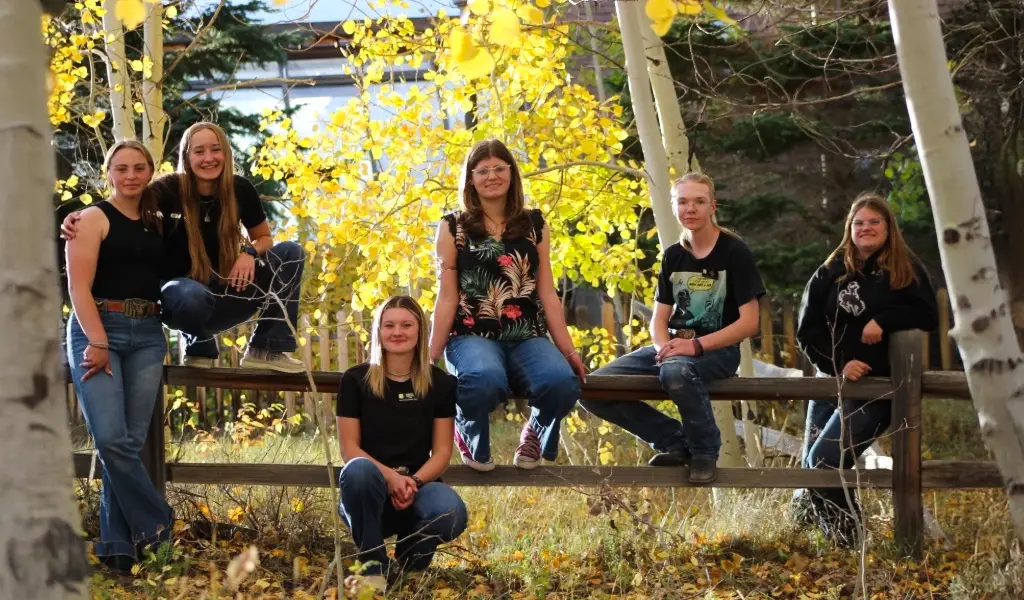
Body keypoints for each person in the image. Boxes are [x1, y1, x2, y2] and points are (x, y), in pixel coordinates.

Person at [62, 122, 305, 373]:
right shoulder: (167, 189)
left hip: (226, 288)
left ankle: (266, 348)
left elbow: (264, 237)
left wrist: (249, 252)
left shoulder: (240, 189)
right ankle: (198, 342)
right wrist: (80, 217)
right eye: (199, 151)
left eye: (215, 149)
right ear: (187, 157)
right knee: (190, 294)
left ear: (226, 153)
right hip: (179, 298)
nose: (208, 158)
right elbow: (121, 205)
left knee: (290, 254)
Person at [580, 173, 765, 484]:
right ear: (674, 207)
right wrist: (663, 346)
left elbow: (749, 322)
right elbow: (659, 318)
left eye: (698, 201)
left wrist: (695, 347)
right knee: (591, 389)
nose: (690, 208)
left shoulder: (734, 251)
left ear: (712, 206)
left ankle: (705, 451)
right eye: (682, 202)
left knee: (676, 372)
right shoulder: (673, 255)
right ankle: (675, 442)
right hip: (673, 348)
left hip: (716, 351)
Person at [428, 139, 587, 471]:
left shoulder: (534, 225)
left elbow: (547, 293)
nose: (492, 176)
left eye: (500, 168)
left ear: (512, 174)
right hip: (470, 334)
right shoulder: (453, 226)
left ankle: (536, 432)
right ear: (470, 178)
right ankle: (469, 436)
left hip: (526, 334)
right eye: (482, 170)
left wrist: (569, 351)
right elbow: (446, 296)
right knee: (484, 378)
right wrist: (428, 357)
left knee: (561, 381)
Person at [793, 193, 938, 544]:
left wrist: (883, 320)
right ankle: (827, 539)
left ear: (888, 227)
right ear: (850, 228)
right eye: (859, 223)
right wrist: (839, 364)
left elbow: (928, 315)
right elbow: (806, 332)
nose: (866, 228)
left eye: (874, 222)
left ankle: (849, 543)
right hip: (833, 383)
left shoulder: (905, 269)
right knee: (812, 467)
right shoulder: (830, 271)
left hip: (877, 389)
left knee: (825, 460)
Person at [65, 140, 174, 573]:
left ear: (150, 171)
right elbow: (78, 288)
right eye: (121, 168)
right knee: (111, 439)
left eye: (139, 167)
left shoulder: (158, 221)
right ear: (108, 172)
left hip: (148, 335)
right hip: (98, 331)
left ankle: (117, 548)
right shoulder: (91, 219)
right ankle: (158, 525)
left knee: (126, 445)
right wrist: (98, 340)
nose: (130, 175)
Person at [337, 296, 468, 591]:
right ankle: (373, 568)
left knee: (451, 512)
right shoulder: (355, 380)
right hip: (368, 495)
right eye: (389, 325)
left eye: (407, 325)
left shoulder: (440, 383)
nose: (398, 332)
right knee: (358, 470)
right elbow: (349, 450)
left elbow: (443, 452)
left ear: (420, 330)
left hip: (417, 490)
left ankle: (410, 564)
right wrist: (392, 478)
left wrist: (414, 482)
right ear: (378, 331)